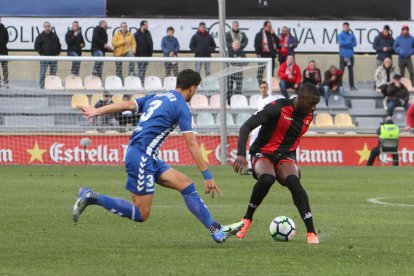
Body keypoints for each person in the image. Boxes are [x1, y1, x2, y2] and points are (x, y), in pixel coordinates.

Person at [72, 69, 244, 243]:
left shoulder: (158, 96)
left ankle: (216, 230)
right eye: (196, 89)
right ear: (192, 88)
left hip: (146, 156)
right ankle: (91, 196)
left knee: (186, 184)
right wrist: (207, 176)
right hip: (142, 157)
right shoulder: (181, 106)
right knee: (141, 213)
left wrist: (96, 110)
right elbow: (191, 143)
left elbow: (127, 104)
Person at [232, 83, 321, 244]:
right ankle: (246, 219)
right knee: (267, 178)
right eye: (311, 104)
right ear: (300, 99)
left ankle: (311, 232)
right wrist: (240, 154)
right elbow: (246, 126)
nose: (314, 108)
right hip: (263, 152)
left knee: (294, 182)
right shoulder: (277, 108)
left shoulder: (308, 114)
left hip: (286, 155)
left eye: (316, 104)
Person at [34, 21, 61, 89]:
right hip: (44, 57)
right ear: (44, 27)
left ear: (50, 27)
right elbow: (36, 46)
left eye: (48, 26)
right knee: (43, 72)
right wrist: (42, 53)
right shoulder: (40, 36)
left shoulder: (54, 35)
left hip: (54, 57)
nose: (47, 27)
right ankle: (42, 85)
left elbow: (59, 44)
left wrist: (58, 52)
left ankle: (52, 85)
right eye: (46, 26)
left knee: (53, 73)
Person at [338, 22, 357, 91]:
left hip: (350, 56)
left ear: (349, 27)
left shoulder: (352, 35)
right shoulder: (340, 35)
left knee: (351, 71)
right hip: (343, 55)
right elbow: (341, 43)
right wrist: (349, 42)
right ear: (343, 27)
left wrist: (346, 43)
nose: (346, 28)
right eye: (344, 27)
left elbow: (355, 44)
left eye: (347, 27)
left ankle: (352, 86)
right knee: (341, 71)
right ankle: (340, 86)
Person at [0, 17, 9, 88]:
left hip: (3, 52)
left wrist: (2, 45)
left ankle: (6, 82)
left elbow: (7, 39)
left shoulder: (4, 29)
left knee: (5, 68)